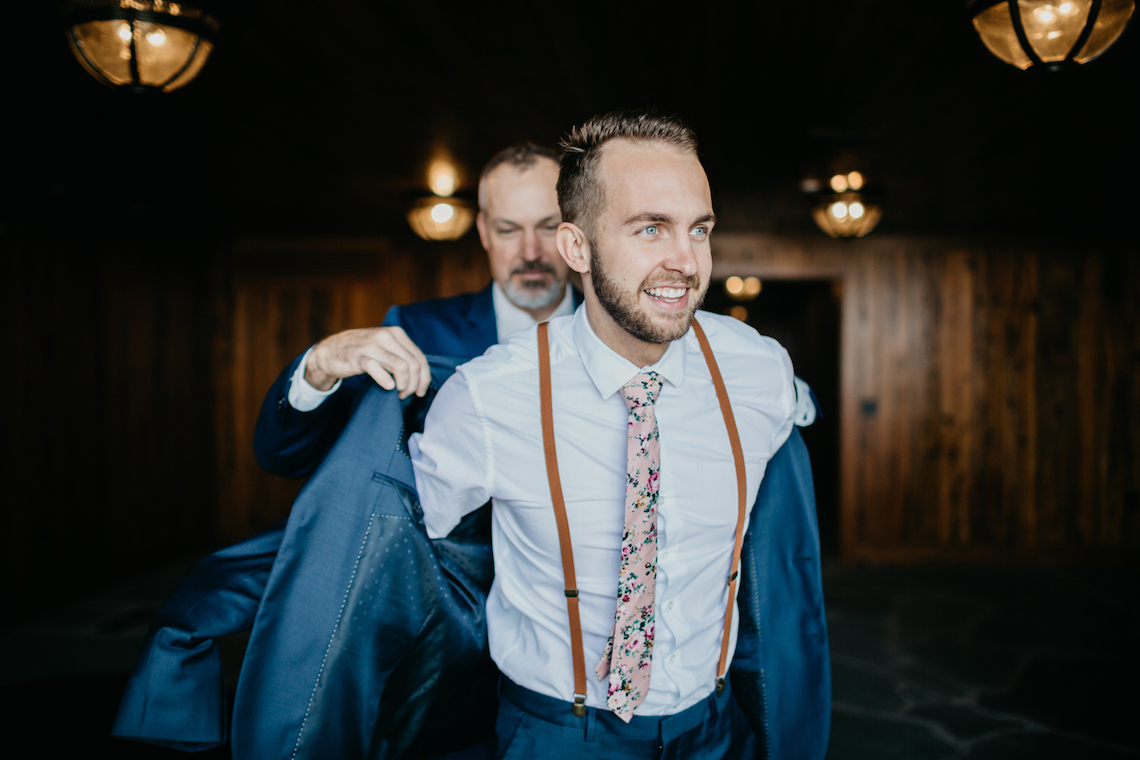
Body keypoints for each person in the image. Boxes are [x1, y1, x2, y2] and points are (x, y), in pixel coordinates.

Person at [410, 110, 828, 758]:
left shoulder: (757, 370)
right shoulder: (488, 397)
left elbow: (793, 456)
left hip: (714, 729)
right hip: (557, 733)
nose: (685, 262)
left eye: (699, 229)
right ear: (576, 247)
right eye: (651, 228)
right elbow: (404, 549)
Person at [255, 142, 580, 480]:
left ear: (574, 230)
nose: (530, 252)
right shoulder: (415, 331)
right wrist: (319, 367)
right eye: (508, 230)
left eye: (548, 227)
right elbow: (286, 458)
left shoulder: (621, 330)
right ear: (484, 232)